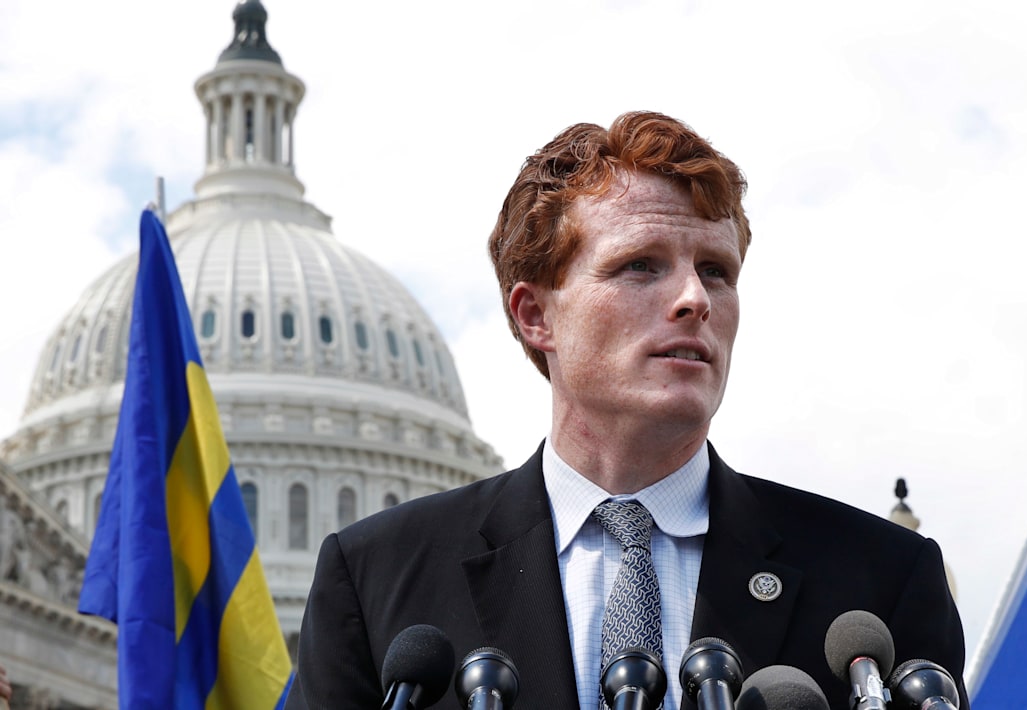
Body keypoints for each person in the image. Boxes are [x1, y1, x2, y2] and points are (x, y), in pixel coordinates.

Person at [287, 111, 967, 710]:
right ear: (535, 315)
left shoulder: (880, 582)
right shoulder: (378, 581)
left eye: (716, 271)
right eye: (642, 265)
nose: (694, 299)